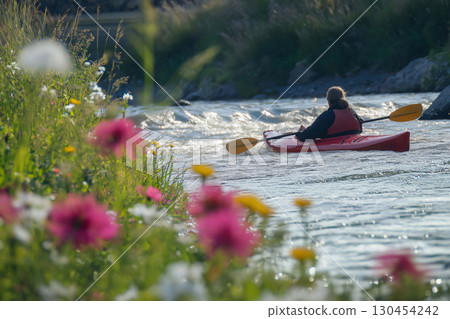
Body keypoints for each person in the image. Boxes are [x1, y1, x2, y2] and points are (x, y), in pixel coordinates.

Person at [295, 86, 364, 141]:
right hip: (353, 139)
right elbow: (360, 130)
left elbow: (306, 137)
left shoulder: (327, 115)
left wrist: (299, 133)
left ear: (329, 100)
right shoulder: (352, 112)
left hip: (336, 142)